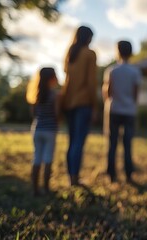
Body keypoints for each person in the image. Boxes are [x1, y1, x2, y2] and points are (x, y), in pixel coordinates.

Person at [61, 25, 97, 186]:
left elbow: (67, 82)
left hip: (68, 103)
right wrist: (95, 105)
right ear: (88, 38)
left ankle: (71, 177)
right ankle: (75, 179)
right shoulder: (89, 54)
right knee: (78, 142)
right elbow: (91, 82)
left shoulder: (70, 54)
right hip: (83, 103)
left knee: (71, 141)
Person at [102, 40, 141, 183]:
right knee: (127, 144)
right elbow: (136, 93)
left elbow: (108, 91)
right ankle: (129, 174)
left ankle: (111, 174)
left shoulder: (112, 70)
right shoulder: (135, 71)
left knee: (112, 144)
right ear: (131, 52)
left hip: (114, 110)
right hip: (129, 111)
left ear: (117, 51)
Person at [26, 67, 59, 196]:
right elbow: (56, 114)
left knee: (37, 158)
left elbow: (33, 114)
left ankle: (35, 189)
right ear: (52, 78)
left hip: (37, 129)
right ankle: (46, 188)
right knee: (48, 159)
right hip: (50, 130)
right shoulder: (54, 95)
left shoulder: (35, 95)